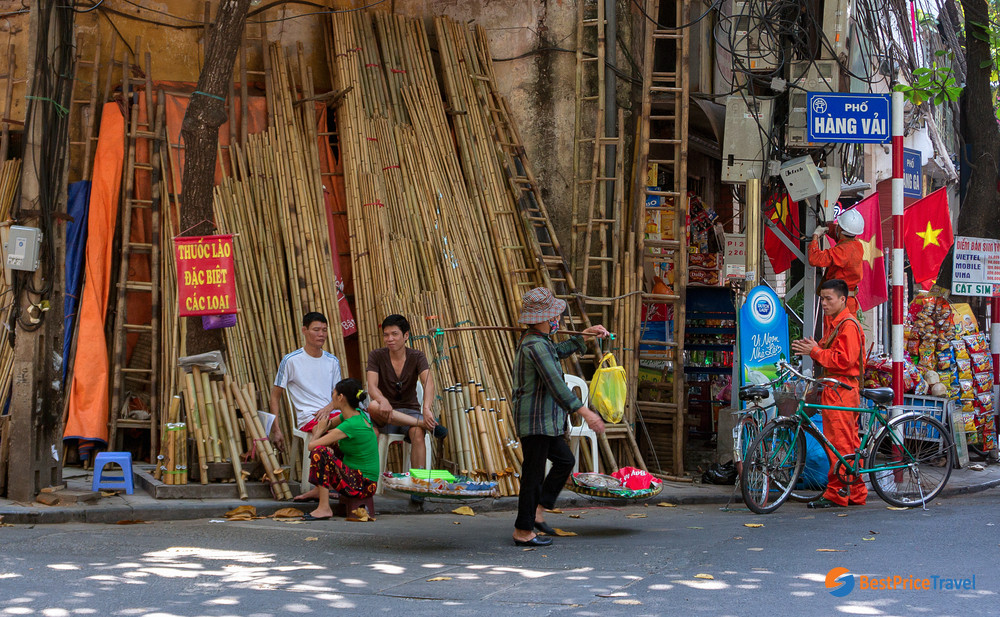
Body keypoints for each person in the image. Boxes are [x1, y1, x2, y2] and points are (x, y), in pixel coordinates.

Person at [511, 287, 608, 547]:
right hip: (535, 420)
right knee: (532, 475)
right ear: (544, 318)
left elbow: (558, 351)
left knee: (565, 461)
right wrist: (585, 412)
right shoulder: (534, 345)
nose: (558, 319)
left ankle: (538, 511)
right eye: (555, 315)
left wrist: (584, 335)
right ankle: (523, 530)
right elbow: (556, 385)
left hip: (546, 422)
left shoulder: (540, 342)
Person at [790, 279, 868, 509]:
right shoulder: (837, 323)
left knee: (839, 444)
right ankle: (855, 491)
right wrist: (815, 348)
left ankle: (836, 493)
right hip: (837, 388)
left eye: (828, 299)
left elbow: (844, 361)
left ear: (842, 299)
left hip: (841, 389)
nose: (823, 303)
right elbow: (829, 352)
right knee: (848, 444)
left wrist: (814, 351)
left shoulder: (847, 325)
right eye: (822, 299)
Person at [366, 314, 446, 474]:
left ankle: (419, 482)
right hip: (384, 415)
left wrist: (426, 408)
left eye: (394, 334)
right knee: (373, 406)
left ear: (406, 335)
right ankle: (423, 423)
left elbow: (428, 383)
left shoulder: (417, 356)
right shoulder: (376, 355)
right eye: (386, 335)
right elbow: (372, 386)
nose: (389, 339)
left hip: (410, 411)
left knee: (417, 433)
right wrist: (383, 400)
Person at [301, 378, 380, 520]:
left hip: (363, 484)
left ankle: (324, 508)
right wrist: (322, 430)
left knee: (320, 452)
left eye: (333, 393)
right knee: (328, 447)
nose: (332, 397)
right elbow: (321, 426)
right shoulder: (355, 414)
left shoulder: (350, 424)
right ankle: (319, 491)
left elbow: (311, 446)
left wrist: (320, 432)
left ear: (340, 397)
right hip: (360, 479)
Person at [808, 208, 864, 334]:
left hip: (837, 303)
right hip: (847, 301)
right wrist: (828, 227)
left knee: (833, 336)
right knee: (847, 334)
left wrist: (815, 236)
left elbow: (814, 259)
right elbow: (841, 234)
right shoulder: (856, 245)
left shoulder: (843, 251)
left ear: (841, 230)